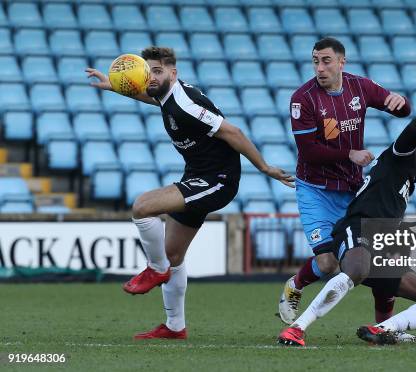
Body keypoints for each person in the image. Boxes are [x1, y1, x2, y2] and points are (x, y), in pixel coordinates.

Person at [86, 46, 294, 340]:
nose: (151, 77)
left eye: (157, 71)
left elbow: (232, 132)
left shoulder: (184, 102)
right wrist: (118, 87)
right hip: (198, 175)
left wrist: (265, 168)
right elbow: (152, 97)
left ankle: (155, 269)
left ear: (174, 73)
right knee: (174, 254)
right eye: (148, 71)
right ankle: (174, 327)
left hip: (218, 180)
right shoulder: (166, 95)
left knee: (143, 206)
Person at [277, 72, 416, 346]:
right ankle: (297, 328)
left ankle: (384, 329)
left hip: (381, 239)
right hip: (359, 228)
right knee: (358, 268)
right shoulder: (399, 157)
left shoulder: (408, 181)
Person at [278, 37, 411, 326]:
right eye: (315, 61)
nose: (320, 68)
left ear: (341, 62)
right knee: (328, 263)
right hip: (316, 190)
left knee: (380, 260)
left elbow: (402, 110)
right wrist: (350, 153)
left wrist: (400, 104)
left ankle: (383, 328)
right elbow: (308, 152)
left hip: (353, 190)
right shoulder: (303, 98)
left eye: (326, 61)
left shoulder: (359, 87)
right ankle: (295, 285)